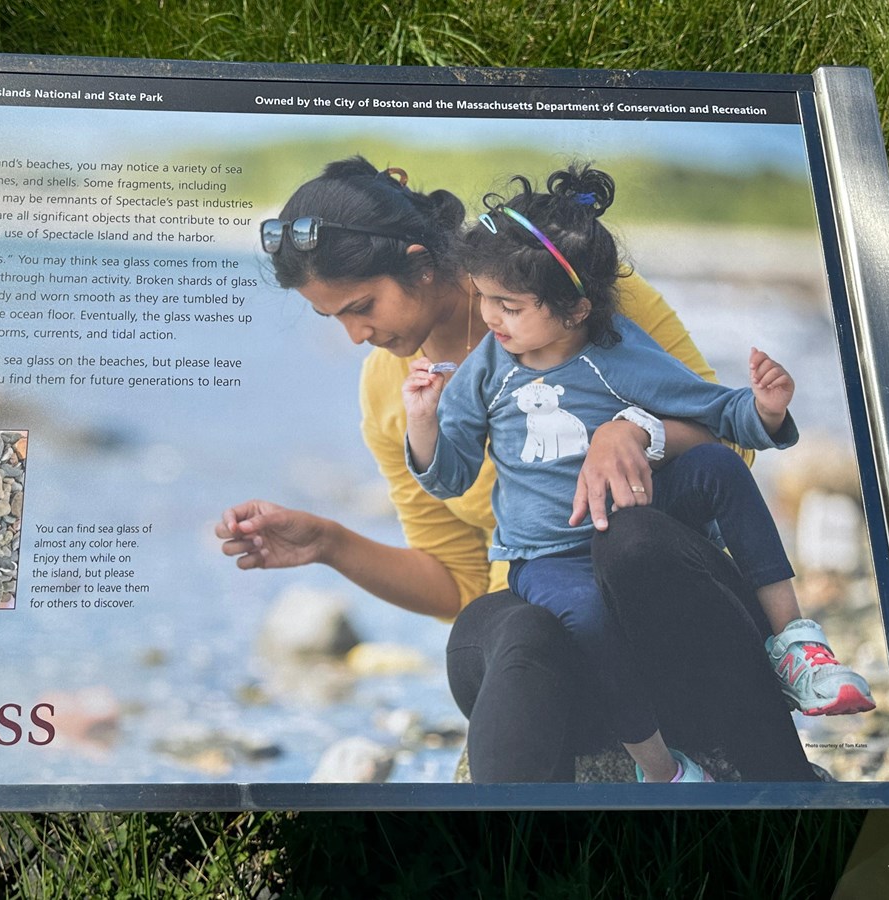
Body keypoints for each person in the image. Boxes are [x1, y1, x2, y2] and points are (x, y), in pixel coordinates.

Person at [217, 156, 819, 783]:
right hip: (565, 634)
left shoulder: (569, 285)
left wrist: (635, 431)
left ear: (421, 264)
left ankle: (781, 784)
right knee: (505, 625)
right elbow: (455, 579)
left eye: (361, 305)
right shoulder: (390, 392)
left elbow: (733, 446)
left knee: (629, 541)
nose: (353, 334)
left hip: (673, 615)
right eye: (333, 317)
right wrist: (329, 543)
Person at [402, 166, 873, 782]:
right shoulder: (489, 369)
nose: (490, 317)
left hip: (634, 530)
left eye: (509, 306)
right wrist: (422, 422)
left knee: (711, 464)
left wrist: (765, 408)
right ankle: (662, 769)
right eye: (486, 297)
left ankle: (798, 648)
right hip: (550, 556)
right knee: (590, 615)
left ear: (574, 309)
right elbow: (450, 476)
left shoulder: (617, 352)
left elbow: (714, 410)